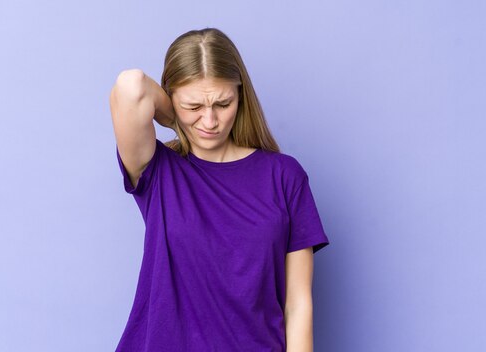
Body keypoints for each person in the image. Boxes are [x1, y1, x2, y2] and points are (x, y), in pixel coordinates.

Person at [109, 27, 330, 351]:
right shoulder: (158, 169)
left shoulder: (284, 176)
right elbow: (130, 86)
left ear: (241, 96)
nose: (209, 121)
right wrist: (176, 122)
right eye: (194, 105)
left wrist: (188, 114)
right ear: (170, 98)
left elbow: (298, 307)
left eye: (222, 103)